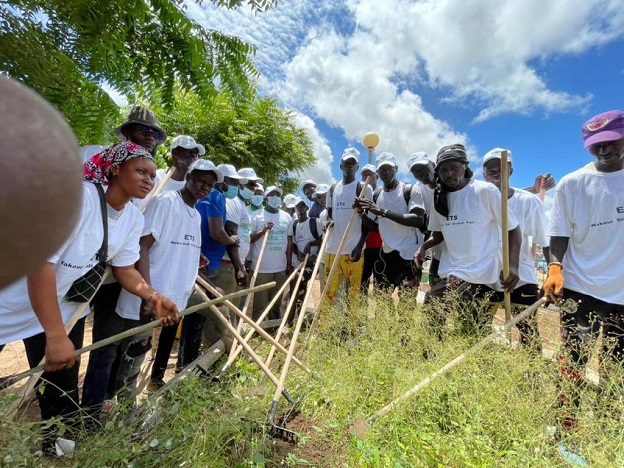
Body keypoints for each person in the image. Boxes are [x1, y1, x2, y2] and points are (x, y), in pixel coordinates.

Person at [0, 142, 179, 454]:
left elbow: (125, 270)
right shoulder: (78, 201)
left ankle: (58, 452)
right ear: (114, 169)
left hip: (64, 310)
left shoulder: (133, 219)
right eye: (140, 171)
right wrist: (55, 335)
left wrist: (152, 295)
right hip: (11, 305)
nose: (149, 179)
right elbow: (39, 266)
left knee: (62, 392)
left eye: (152, 174)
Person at [544, 110, 624, 432]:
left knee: (617, 365)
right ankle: (567, 423)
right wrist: (553, 267)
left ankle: (608, 425)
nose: (603, 151)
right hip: (582, 287)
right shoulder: (573, 184)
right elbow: (559, 231)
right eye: (595, 146)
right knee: (574, 359)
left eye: (610, 142)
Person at [111, 159, 222, 392]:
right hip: (149, 298)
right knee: (131, 358)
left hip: (172, 298)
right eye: (201, 181)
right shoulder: (165, 203)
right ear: (189, 178)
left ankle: (142, 392)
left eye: (210, 185)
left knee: (147, 349)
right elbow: (142, 247)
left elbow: (176, 242)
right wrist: (147, 298)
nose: (205, 187)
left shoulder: (196, 215)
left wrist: (194, 254)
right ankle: (120, 410)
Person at [414, 144, 521, 337]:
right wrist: (424, 246)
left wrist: (513, 265)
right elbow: (438, 234)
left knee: (433, 303)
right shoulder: (440, 197)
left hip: (479, 269)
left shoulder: (484, 191)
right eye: (444, 170)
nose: (449, 173)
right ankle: (443, 355)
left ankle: (428, 354)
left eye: (454, 167)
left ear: (465, 166)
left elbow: (512, 229)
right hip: (452, 268)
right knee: (469, 324)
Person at [482, 147, 549, 352]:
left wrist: (553, 272)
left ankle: (532, 376)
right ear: (483, 174)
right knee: (477, 324)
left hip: (521, 278)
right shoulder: (478, 199)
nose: (494, 172)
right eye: (489, 169)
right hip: (486, 276)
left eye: (500, 167)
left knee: (528, 330)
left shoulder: (528, 202)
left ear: (510, 170)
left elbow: (544, 239)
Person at [356, 152, 425, 292]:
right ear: (377, 173)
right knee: (382, 298)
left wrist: (383, 212)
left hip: (409, 255)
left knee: (407, 302)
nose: (386, 172)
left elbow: (418, 220)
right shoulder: (377, 195)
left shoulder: (410, 190)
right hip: (387, 253)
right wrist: (361, 213)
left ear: (396, 169)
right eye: (382, 170)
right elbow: (374, 226)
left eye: (389, 168)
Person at [324, 148, 373, 306]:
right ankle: (324, 329)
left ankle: (352, 329)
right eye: (346, 163)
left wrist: (359, 246)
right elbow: (329, 213)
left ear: (357, 167)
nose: (349, 166)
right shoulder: (332, 189)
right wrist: (328, 221)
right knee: (329, 292)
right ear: (341, 166)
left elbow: (369, 224)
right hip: (332, 250)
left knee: (354, 293)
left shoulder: (364, 189)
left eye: (352, 164)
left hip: (353, 250)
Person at [249, 186, 294, 321]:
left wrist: (289, 263)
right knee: (260, 303)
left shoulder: (286, 216)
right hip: (261, 267)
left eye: (277, 195)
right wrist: (263, 232)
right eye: (272, 195)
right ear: (266, 198)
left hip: (280, 267)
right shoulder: (256, 216)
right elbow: (249, 239)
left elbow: (289, 241)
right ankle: (257, 329)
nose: (275, 198)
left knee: (276, 302)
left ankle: (273, 327)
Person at [134, 135, 204, 210]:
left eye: (196, 153)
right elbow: (138, 206)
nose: (193, 155)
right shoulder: (157, 177)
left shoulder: (190, 186)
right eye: (189, 151)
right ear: (175, 152)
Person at [408, 152, 442, 286]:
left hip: (460, 253)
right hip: (438, 250)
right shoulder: (418, 189)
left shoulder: (449, 184)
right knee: (434, 290)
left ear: (433, 165)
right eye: (416, 172)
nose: (421, 173)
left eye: (424, 168)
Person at [289, 198, 323, 322]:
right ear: (295, 209)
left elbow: (323, 240)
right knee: (300, 289)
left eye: (303, 206)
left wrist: (313, 251)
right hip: (301, 263)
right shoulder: (294, 225)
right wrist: (298, 253)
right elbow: (293, 244)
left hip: (313, 263)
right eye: (298, 206)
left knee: (311, 287)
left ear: (307, 208)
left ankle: (312, 318)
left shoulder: (315, 222)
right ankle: (300, 318)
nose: (301, 208)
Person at [359, 164, 383, 293]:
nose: (367, 176)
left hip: (380, 246)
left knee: (380, 283)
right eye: (364, 174)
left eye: (370, 174)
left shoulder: (382, 193)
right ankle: (361, 312)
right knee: (362, 282)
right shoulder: (359, 193)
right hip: (363, 247)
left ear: (377, 175)